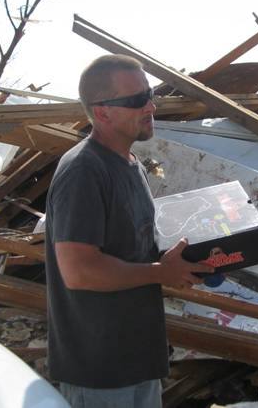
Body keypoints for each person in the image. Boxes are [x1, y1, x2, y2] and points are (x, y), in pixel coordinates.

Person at [45, 54, 214, 408]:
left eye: (149, 94)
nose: (151, 105)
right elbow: (79, 271)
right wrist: (159, 272)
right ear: (102, 111)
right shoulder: (83, 171)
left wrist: (175, 263)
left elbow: (131, 252)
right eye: (137, 100)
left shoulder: (130, 164)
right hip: (101, 373)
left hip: (137, 360)